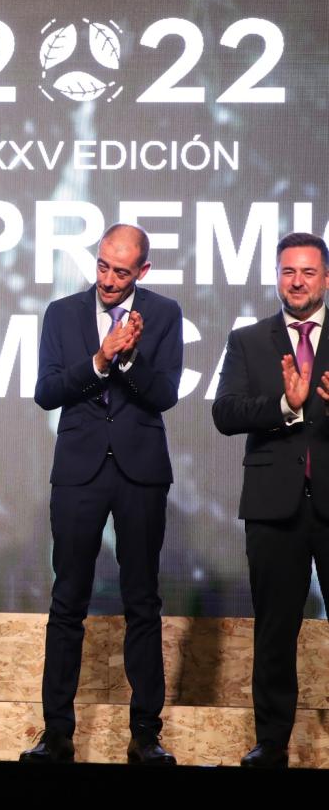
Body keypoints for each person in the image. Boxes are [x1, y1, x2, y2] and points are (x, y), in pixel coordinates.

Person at [21, 223, 182, 765]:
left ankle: (146, 734)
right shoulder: (62, 314)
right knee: (68, 601)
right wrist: (100, 358)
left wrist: (129, 358)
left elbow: (164, 394)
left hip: (140, 472)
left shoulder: (163, 315)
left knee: (143, 602)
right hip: (79, 471)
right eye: (103, 266)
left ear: (143, 270)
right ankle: (57, 734)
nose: (109, 280)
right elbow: (46, 392)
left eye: (121, 271)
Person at [212, 231, 329, 768]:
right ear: (277, 278)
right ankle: (273, 743)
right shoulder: (250, 339)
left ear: (325, 278)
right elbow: (225, 413)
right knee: (275, 628)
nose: (297, 281)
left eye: (307, 271)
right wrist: (285, 402)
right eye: (288, 272)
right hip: (272, 504)